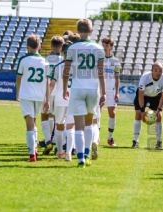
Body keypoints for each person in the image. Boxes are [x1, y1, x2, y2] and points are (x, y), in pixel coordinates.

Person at [63, 18, 106, 168]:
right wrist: (104, 92)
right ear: (91, 31)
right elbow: (101, 72)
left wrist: (64, 88)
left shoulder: (71, 48)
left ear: (78, 30)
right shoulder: (99, 48)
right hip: (93, 89)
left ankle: (81, 159)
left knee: (78, 126)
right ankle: (86, 155)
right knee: (89, 124)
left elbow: (66, 70)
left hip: (77, 88)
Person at [15, 34, 50, 162]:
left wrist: (17, 92)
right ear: (39, 45)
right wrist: (47, 99)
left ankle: (32, 155)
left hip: (26, 95)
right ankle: (34, 148)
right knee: (34, 123)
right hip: (39, 96)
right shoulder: (45, 61)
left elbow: (18, 78)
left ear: (28, 46)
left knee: (30, 125)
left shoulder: (23, 60)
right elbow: (47, 81)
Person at [132, 62, 163, 149]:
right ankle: (135, 141)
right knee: (138, 115)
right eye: (156, 70)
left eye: (160, 71)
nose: (158, 72)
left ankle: (159, 142)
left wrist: (159, 109)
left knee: (159, 116)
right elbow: (140, 95)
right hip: (143, 96)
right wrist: (142, 111)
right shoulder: (145, 77)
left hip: (156, 96)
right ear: (151, 70)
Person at [40, 36, 64, 154]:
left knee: (44, 115)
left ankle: (48, 140)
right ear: (62, 47)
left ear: (51, 46)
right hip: (58, 91)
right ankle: (56, 140)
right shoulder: (63, 60)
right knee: (56, 117)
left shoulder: (46, 59)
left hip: (47, 90)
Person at [101, 37, 121, 146]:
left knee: (112, 114)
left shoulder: (115, 61)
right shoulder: (99, 59)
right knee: (96, 113)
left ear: (112, 47)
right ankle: (96, 137)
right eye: (104, 45)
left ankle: (110, 137)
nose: (105, 47)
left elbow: (117, 77)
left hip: (111, 91)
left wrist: (117, 92)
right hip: (99, 90)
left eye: (107, 45)